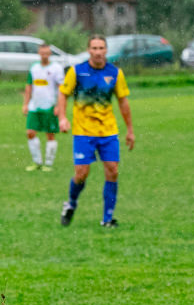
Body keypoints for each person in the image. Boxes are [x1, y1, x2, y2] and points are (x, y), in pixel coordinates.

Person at [57, 35, 135, 228]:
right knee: (82, 173)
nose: (98, 52)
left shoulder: (115, 73)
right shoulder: (77, 71)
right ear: (88, 50)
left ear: (106, 51)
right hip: (83, 131)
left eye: (101, 48)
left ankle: (107, 219)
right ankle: (71, 203)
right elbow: (63, 94)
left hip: (108, 131)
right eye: (94, 48)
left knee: (113, 171)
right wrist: (62, 118)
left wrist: (130, 131)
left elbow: (123, 102)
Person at [23, 43, 65, 172]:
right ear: (39, 53)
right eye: (42, 53)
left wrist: (58, 106)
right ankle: (37, 162)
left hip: (50, 106)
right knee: (30, 132)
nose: (44, 55)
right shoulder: (34, 68)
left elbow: (61, 88)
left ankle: (48, 163)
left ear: (50, 54)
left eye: (47, 53)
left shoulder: (57, 68)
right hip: (34, 106)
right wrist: (25, 104)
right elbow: (29, 86)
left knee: (50, 135)